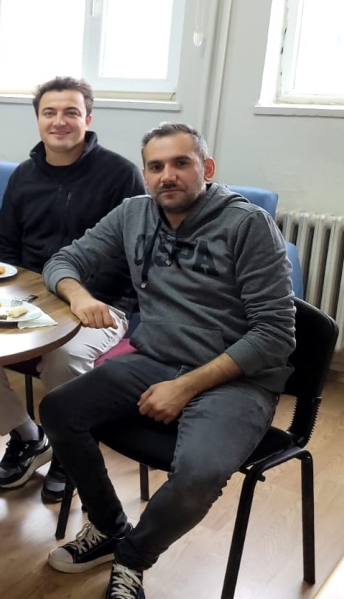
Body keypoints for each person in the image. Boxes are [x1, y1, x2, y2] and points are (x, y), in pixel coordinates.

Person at [38, 123, 295, 598]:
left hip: (237, 380)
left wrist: (187, 386)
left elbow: (275, 334)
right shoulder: (133, 213)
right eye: (155, 167)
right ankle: (109, 525)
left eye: (181, 163)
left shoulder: (247, 225)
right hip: (154, 360)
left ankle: (133, 556)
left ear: (207, 169)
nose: (167, 176)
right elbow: (63, 261)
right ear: (145, 174)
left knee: (198, 474)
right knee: (57, 409)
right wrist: (77, 296)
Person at [0, 77, 146, 501]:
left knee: (63, 358)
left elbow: (136, 255)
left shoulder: (120, 175)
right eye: (49, 112)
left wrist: (106, 302)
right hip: (30, 299)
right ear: (38, 120)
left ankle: (70, 450)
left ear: (88, 119)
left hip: (100, 303)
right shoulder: (24, 176)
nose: (60, 121)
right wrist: (11, 296)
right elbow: (2, 246)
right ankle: (29, 436)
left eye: (71, 112)